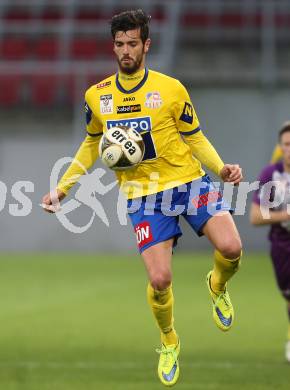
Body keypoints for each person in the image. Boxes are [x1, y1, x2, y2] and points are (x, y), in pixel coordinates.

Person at [42, 9, 243, 386]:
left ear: (146, 44)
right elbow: (90, 144)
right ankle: (169, 340)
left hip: (188, 182)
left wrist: (221, 169)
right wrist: (63, 187)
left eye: (132, 43)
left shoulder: (171, 89)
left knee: (232, 248)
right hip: (143, 196)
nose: (125, 51)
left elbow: (194, 135)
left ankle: (217, 284)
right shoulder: (98, 96)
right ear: (113, 46)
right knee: (161, 279)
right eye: (119, 44)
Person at [250, 121, 290, 363]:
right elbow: (256, 216)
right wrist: (286, 215)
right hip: (283, 245)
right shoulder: (271, 175)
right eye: (287, 144)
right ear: (280, 147)